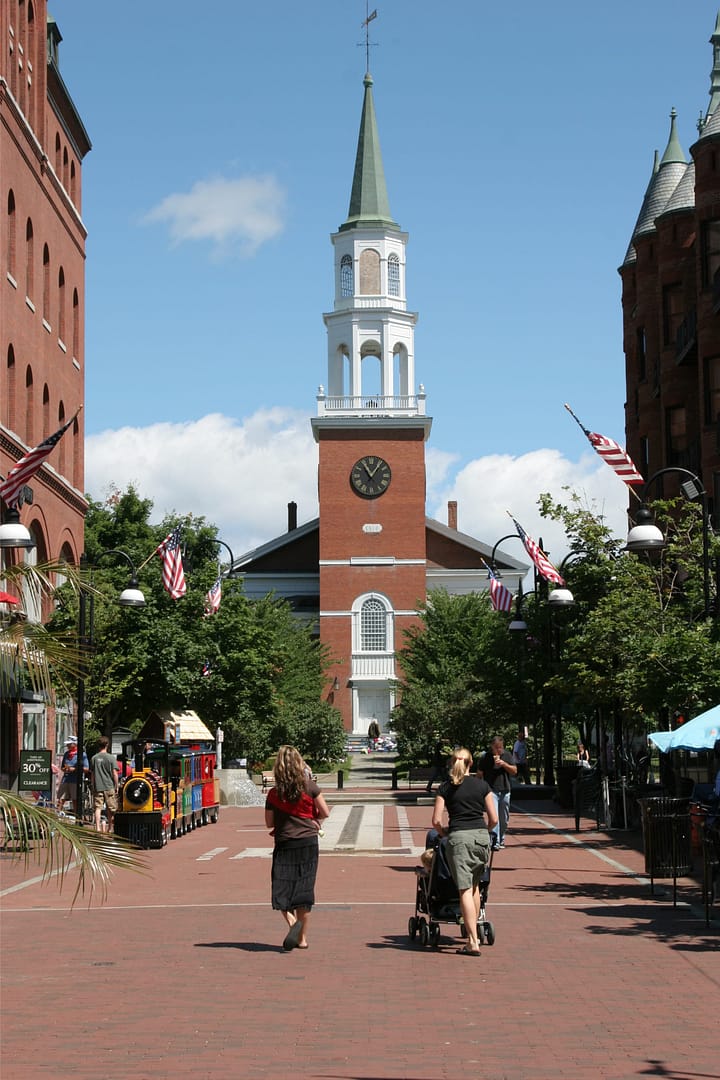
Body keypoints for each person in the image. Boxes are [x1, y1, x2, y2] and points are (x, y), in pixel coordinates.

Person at [431, 747, 497, 956]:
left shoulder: (445, 788)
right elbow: (494, 819)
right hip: (481, 838)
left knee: (464, 890)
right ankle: (473, 932)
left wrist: (444, 833)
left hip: (459, 838)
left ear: (452, 763)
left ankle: (473, 941)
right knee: (476, 886)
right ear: (471, 764)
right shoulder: (482, 785)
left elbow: (436, 821)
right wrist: (484, 831)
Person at [265, 744, 330, 951]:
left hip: (285, 843)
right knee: (304, 891)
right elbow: (325, 812)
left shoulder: (274, 793)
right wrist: (314, 820)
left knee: (281, 889)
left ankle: (293, 923)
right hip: (308, 843)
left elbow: (269, 823)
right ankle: (302, 940)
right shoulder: (310, 787)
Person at [476, 736, 517, 849]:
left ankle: (501, 838)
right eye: (496, 748)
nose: (499, 750)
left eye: (500, 747)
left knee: (504, 818)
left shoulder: (507, 755)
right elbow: (479, 774)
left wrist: (504, 764)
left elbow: (514, 771)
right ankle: (495, 841)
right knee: (494, 817)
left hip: (505, 790)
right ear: (492, 747)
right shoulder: (485, 757)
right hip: (491, 790)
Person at [90, 736, 119, 832]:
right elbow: (114, 773)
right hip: (109, 786)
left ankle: (98, 827)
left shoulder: (94, 758)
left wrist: (93, 785)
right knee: (111, 808)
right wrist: (116, 785)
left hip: (98, 786)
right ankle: (110, 827)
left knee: (98, 807)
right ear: (107, 745)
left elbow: (92, 774)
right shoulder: (111, 758)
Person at [56, 737, 89, 816]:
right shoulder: (66, 754)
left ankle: (77, 818)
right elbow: (62, 767)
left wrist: (74, 769)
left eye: (69, 744)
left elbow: (86, 769)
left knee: (75, 800)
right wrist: (65, 769)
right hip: (65, 779)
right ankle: (57, 816)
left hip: (75, 781)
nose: (67, 746)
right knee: (61, 799)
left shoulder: (82, 755)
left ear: (75, 744)